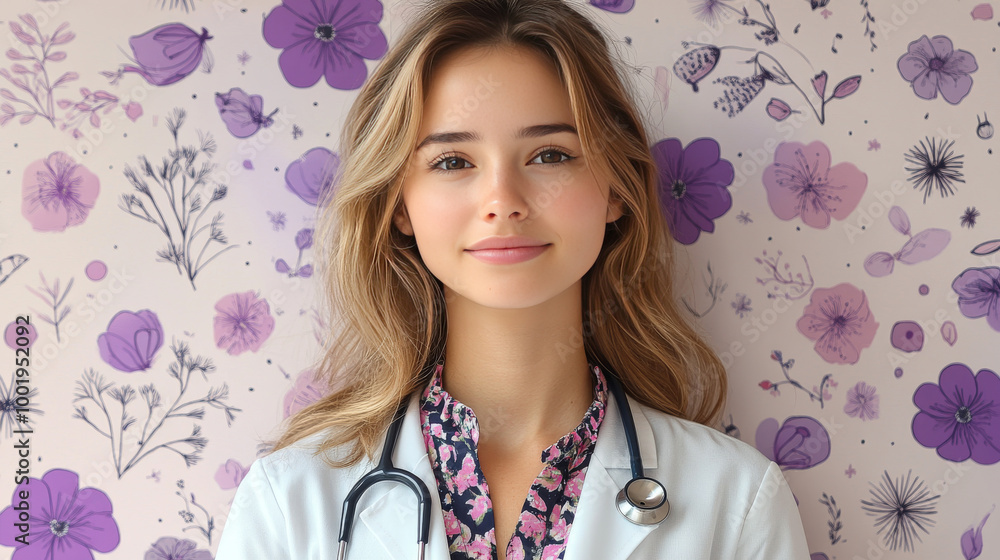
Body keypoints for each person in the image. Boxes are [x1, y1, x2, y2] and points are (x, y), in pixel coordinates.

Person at [215, 0, 812, 558]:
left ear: (616, 188)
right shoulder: (287, 503)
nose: (503, 201)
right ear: (399, 204)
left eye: (550, 155)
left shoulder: (735, 500)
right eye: (453, 162)